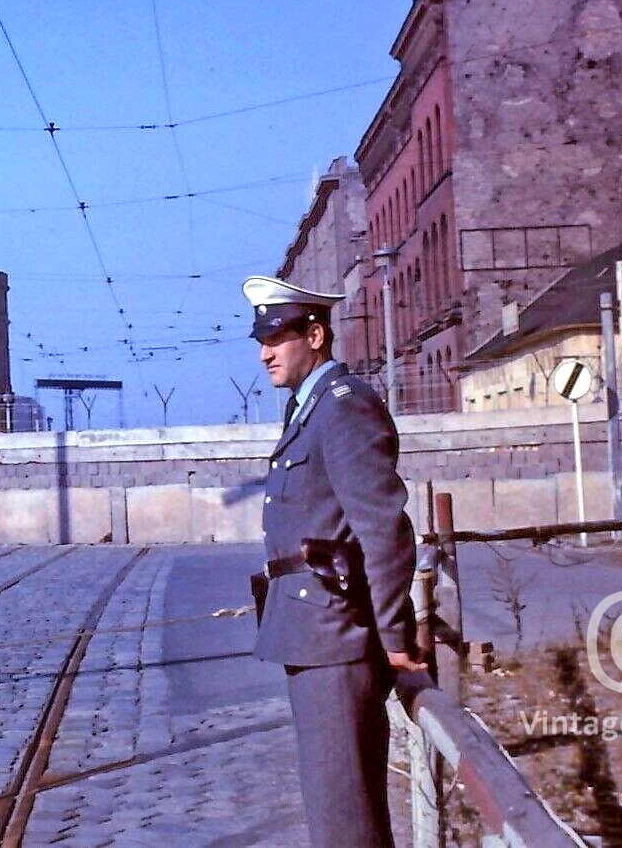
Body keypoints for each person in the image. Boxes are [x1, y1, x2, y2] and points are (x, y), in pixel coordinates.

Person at [243, 274, 424, 848]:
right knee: (337, 804)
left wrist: (395, 636)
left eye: (278, 337)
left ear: (315, 335)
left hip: (335, 635)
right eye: (261, 340)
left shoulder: (342, 408)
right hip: (313, 631)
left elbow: (383, 527)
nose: (265, 352)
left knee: (345, 815)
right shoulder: (311, 409)